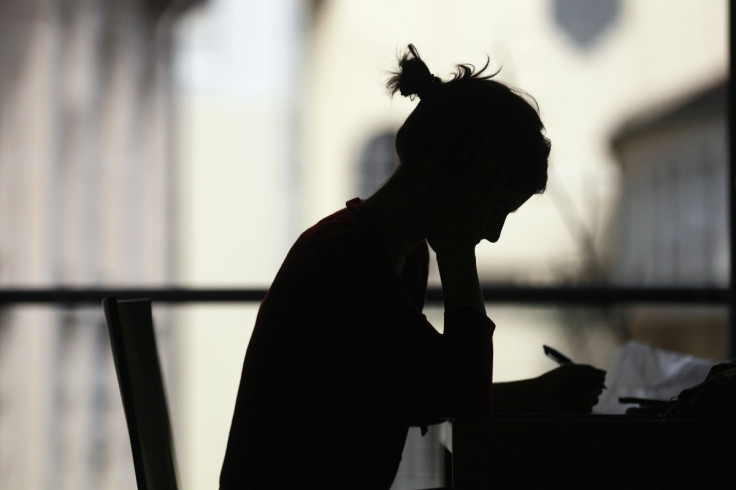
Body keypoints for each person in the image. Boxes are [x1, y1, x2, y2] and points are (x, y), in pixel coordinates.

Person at [220, 44, 606, 490]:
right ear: (457, 172)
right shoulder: (349, 259)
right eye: (496, 205)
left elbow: (413, 394)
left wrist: (536, 395)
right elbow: (458, 397)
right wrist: (459, 253)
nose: (495, 232)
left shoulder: (388, 251)